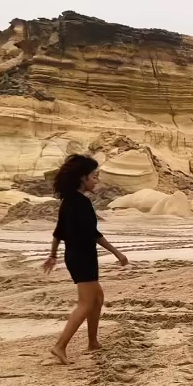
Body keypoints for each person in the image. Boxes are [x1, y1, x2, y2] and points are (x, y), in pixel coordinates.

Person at [42, 155, 128, 364]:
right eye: (94, 176)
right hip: (81, 256)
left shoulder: (69, 201)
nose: (96, 181)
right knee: (86, 302)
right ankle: (60, 346)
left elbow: (58, 232)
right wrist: (118, 253)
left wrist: (53, 255)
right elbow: (93, 233)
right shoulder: (80, 203)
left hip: (77, 255)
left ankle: (93, 342)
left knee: (97, 298)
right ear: (82, 178)